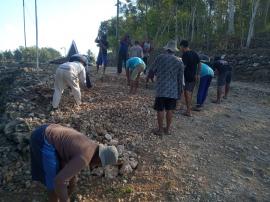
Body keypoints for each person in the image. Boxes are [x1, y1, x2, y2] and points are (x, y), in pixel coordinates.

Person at [30, 124, 119, 202]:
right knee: (53, 181)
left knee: (59, 176)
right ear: (99, 159)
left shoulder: (90, 145)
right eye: (98, 164)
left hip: (48, 128)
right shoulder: (84, 158)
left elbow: (69, 165)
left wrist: (71, 188)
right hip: (43, 139)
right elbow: (59, 181)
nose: (95, 166)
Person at [149, 40, 184, 136]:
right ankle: (167, 130)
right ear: (174, 50)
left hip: (161, 88)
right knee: (170, 110)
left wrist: (151, 78)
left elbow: (152, 71)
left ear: (167, 49)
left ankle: (160, 130)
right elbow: (180, 79)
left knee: (160, 109)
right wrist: (180, 92)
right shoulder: (179, 61)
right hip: (173, 90)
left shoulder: (160, 57)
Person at [179, 40, 201, 117]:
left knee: (186, 93)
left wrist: (179, 74)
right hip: (193, 76)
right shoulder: (194, 53)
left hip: (187, 76)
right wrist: (198, 74)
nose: (180, 48)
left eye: (180, 47)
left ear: (182, 46)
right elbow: (199, 63)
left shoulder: (185, 54)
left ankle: (188, 111)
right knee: (189, 93)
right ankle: (184, 107)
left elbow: (183, 67)